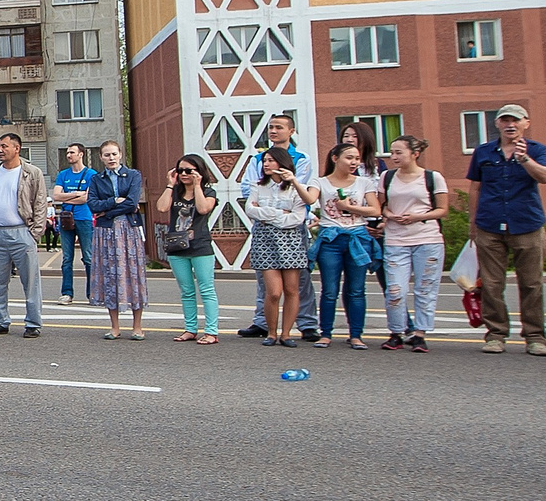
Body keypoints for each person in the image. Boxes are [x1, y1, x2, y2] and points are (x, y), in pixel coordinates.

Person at [466, 103, 546, 355]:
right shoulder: (483, 151)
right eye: (505, 120)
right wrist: (472, 223)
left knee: (531, 284)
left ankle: (535, 337)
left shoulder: (537, 149)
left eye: (515, 120)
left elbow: (545, 177)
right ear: (497, 124)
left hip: (527, 224)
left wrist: (524, 159)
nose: (510, 125)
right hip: (489, 224)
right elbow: (475, 187)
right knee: (491, 284)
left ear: (526, 123)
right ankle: (496, 334)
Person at [235, 116, 315, 339]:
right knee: (268, 284)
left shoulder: (301, 158)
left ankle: (307, 323)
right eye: (271, 127)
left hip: (293, 232)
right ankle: (263, 323)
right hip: (265, 232)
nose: (273, 131)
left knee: (298, 282)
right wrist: (278, 213)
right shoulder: (257, 159)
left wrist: (267, 210)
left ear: (291, 131)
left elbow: (298, 190)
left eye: (279, 127)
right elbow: (248, 191)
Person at [375, 137, 448, 352]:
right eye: (392, 152)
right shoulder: (387, 177)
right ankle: (396, 332)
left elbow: (442, 209)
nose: (394, 157)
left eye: (399, 152)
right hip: (396, 239)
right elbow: (381, 206)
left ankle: (420, 334)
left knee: (425, 289)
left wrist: (417, 216)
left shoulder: (432, 177)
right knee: (395, 289)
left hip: (427, 238)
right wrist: (390, 215)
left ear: (414, 154)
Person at [0, 133, 47, 337]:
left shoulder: (31, 173)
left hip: (22, 231)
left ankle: (33, 323)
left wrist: (34, 233)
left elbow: (40, 203)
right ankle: (0, 321)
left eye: (4, 146)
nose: (0, 150)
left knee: (30, 281)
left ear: (17, 149)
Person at [314, 142, 379, 349]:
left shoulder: (364, 183)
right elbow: (309, 198)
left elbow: (375, 210)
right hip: (331, 238)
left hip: (357, 237)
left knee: (356, 290)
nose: (354, 162)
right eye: (349, 158)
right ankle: (325, 333)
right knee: (329, 290)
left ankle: (356, 335)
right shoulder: (320, 182)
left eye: (357, 159)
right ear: (335, 158)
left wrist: (351, 208)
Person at [87, 140, 148, 339]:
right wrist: (113, 201)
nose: (111, 158)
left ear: (120, 154)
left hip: (129, 229)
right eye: (107, 155)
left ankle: (137, 326)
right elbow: (93, 205)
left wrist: (108, 211)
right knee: (109, 275)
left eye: (114, 154)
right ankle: (115, 326)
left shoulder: (133, 175)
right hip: (105, 232)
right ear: (101, 157)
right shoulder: (96, 179)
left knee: (133, 274)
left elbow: (131, 203)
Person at [156, 155, 219, 343]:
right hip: (177, 247)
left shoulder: (208, 192)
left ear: (199, 172)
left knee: (206, 289)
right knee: (186, 291)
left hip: (200, 246)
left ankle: (211, 332)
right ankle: (190, 329)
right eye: (180, 170)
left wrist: (197, 186)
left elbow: (203, 209)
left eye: (188, 171)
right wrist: (170, 184)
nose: (183, 174)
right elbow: (161, 207)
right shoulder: (175, 191)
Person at [51, 143, 95, 303]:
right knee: (67, 258)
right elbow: (56, 196)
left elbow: (87, 198)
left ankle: (93, 293)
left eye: (72, 152)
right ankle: (67, 293)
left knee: (88, 257)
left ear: (81, 154)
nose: (69, 155)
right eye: (67, 152)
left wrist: (67, 196)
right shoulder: (63, 174)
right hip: (66, 219)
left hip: (84, 218)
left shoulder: (91, 174)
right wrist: (77, 194)